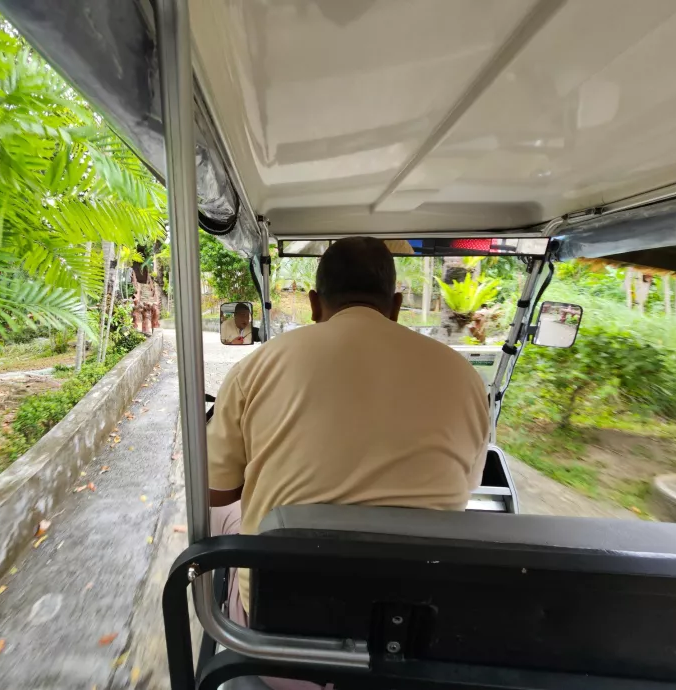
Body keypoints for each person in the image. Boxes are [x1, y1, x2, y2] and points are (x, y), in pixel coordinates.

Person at [207, 237, 490, 635]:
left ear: (314, 303)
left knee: (229, 516)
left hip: (281, 627)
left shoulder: (256, 367)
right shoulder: (465, 378)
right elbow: (467, 488)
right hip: (413, 628)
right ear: (394, 305)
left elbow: (216, 493)